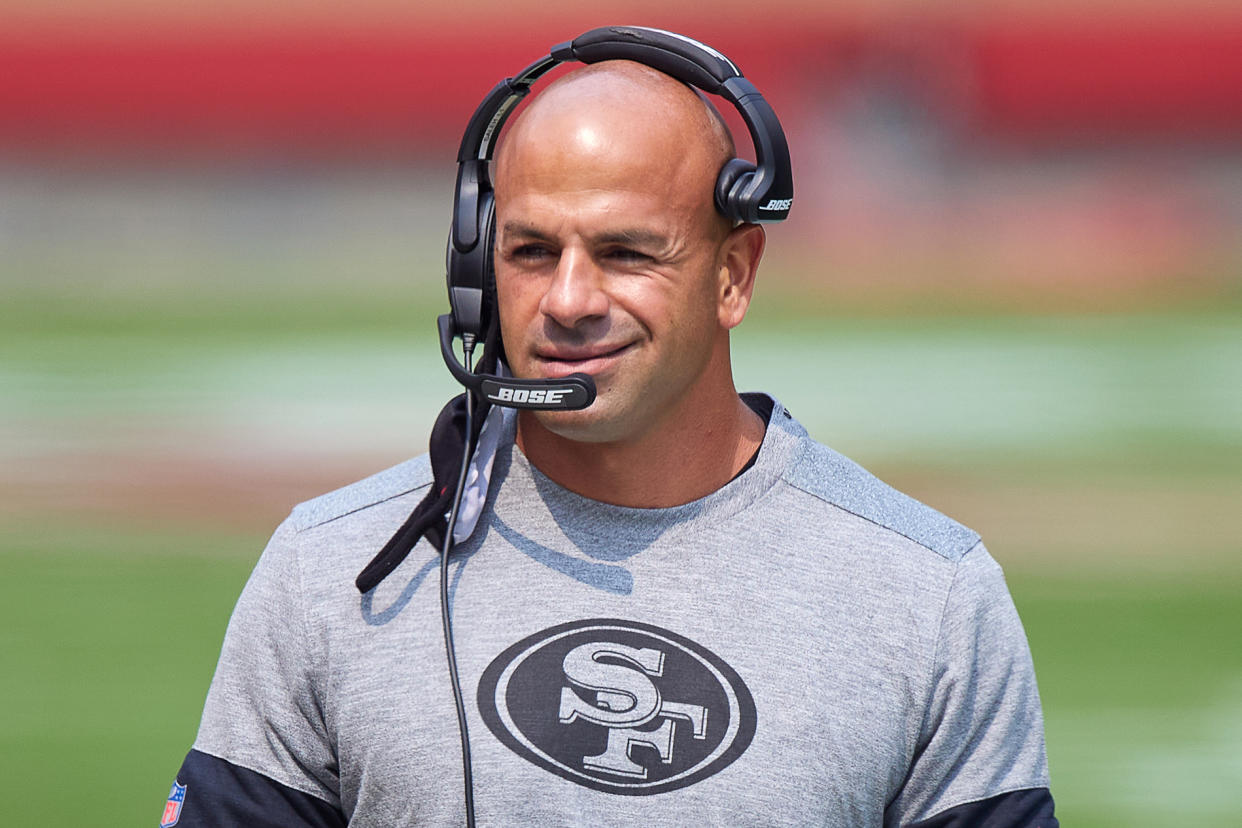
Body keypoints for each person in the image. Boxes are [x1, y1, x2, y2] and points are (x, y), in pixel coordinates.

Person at [166, 43, 1056, 828]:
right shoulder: (332, 571)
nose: (568, 300)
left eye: (627, 253)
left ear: (733, 275)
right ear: (476, 272)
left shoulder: (928, 597)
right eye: (530, 252)